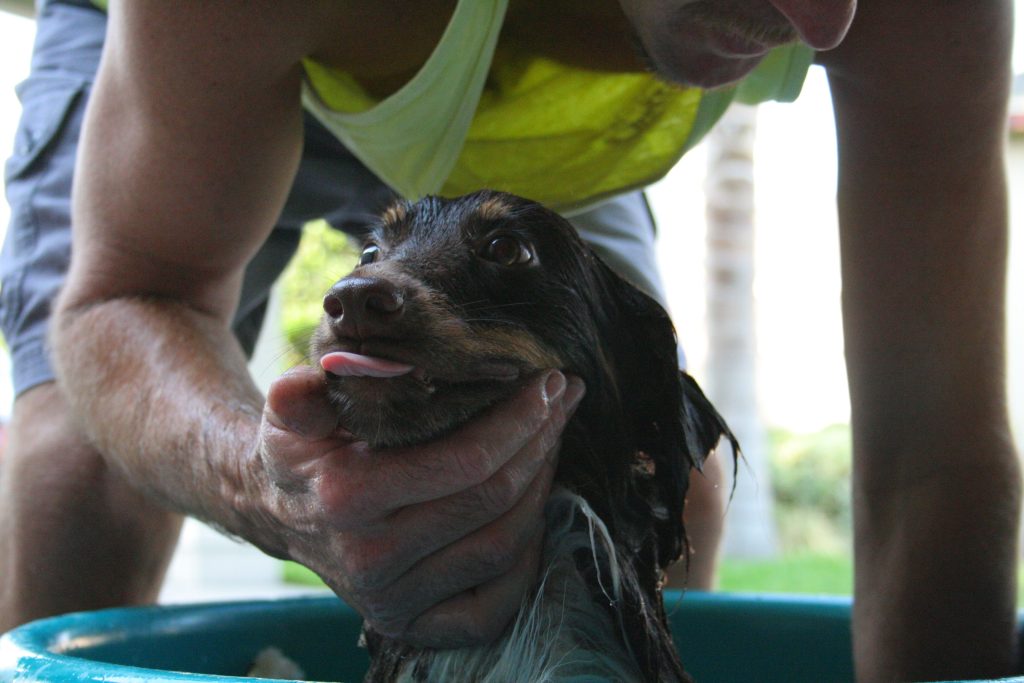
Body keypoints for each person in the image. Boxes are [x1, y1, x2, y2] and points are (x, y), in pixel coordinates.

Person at [5, 1, 1020, 681]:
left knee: (659, 473)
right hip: (234, 54)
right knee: (83, 459)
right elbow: (130, 295)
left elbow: (932, 462)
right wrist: (273, 488)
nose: (825, 19)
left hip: (540, 153)